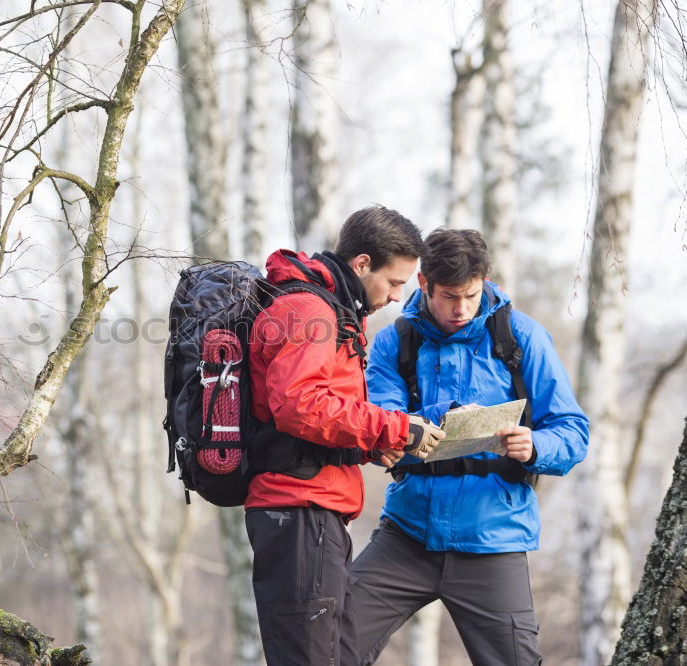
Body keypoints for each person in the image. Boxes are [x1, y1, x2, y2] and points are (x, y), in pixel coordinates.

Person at [341, 228, 590, 665]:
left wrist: (534, 445)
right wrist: (408, 433)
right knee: (328, 648)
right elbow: (385, 419)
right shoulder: (392, 341)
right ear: (424, 285)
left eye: (471, 296)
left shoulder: (523, 338)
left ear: (484, 281)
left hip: (494, 539)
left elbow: (573, 432)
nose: (460, 309)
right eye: (449, 296)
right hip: (406, 536)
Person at [244, 205, 445, 665]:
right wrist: (393, 425)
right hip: (298, 511)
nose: (397, 297)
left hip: (315, 512)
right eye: (394, 282)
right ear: (361, 264)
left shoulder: (329, 310)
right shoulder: (308, 310)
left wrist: (378, 441)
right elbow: (298, 405)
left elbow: (324, 413)